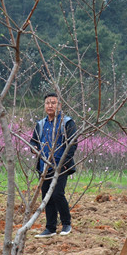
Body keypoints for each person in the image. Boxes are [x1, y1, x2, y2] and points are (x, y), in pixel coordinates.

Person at [29, 92, 77, 238]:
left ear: (59, 105)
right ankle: (50, 227)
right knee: (46, 197)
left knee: (57, 194)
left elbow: (72, 145)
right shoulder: (41, 124)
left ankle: (66, 223)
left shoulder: (67, 123)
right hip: (45, 166)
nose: (50, 105)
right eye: (47, 103)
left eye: (53, 103)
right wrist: (33, 148)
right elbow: (33, 142)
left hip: (60, 166)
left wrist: (63, 163)